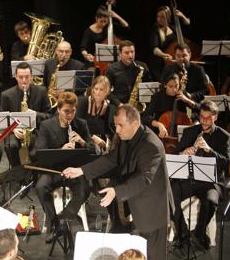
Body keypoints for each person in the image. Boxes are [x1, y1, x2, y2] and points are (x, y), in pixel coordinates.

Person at [63, 104, 172, 260]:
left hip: (152, 208)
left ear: (134, 123)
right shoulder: (126, 137)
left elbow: (144, 178)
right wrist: (81, 170)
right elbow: (111, 159)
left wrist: (116, 191)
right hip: (137, 201)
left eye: (121, 125)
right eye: (116, 126)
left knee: (154, 255)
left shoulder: (151, 145)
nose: (117, 130)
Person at [31, 92, 95, 242]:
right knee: (41, 187)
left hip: (75, 170)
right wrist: (61, 150)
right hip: (54, 169)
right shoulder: (46, 126)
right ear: (59, 109)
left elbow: (94, 149)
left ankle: (62, 221)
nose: (70, 115)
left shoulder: (81, 124)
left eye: (73, 111)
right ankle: (53, 223)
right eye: (66, 111)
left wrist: (83, 142)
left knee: (84, 191)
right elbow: (38, 152)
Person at [170, 100, 230, 251]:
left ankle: (199, 233)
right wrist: (183, 153)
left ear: (215, 117)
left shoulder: (224, 136)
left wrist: (210, 151)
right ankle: (183, 234)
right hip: (190, 178)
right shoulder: (191, 132)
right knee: (169, 194)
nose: (204, 121)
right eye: (202, 117)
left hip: (211, 182)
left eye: (208, 118)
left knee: (209, 201)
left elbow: (226, 163)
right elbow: (176, 153)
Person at [0, 62, 50, 168]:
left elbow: (49, 115)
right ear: (16, 77)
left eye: (27, 77)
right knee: (10, 146)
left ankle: (36, 173)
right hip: (15, 131)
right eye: (21, 77)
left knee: (37, 149)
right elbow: (3, 118)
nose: (24, 80)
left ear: (32, 77)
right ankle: (17, 171)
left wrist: (35, 114)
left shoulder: (42, 91)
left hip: (36, 130)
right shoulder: (6, 95)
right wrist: (12, 129)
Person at [141, 73, 197, 138]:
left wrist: (187, 100)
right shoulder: (158, 96)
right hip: (161, 133)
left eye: (176, 86)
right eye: (170, 86)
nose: (174, 89)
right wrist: (159, 124)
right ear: (165, 85)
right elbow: (146, 117)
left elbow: (199, 110)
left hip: (180, 135)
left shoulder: (182, 95)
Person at [149, 6, 190, 81]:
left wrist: (182, 16)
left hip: (173, 63)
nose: (159, 19)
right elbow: (155, 49)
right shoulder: (155, 30)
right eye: (158, 16)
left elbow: (187, 23)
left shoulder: (173, 28)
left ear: (168, 17)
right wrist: (164, 55)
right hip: (159, 63)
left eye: (162, 17)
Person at [76, 76, 115, 154]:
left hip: (99, 141)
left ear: (107, 92)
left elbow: (109, 129)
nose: (97, 92)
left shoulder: (109, 106)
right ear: (92, 89)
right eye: (96, 89)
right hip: (82, 139)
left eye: (101, 90)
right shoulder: (83, 102)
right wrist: (94, 138)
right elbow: (78, 126)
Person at [106, 40, 151, 107]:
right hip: (119, 105)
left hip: (137, 106)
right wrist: (119, 104)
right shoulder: (112, 69)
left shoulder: (142, 67)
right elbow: (107, 91)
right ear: (120, 54)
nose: (130, 55)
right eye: (126, 53)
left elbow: (149, 87)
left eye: (132, 52)